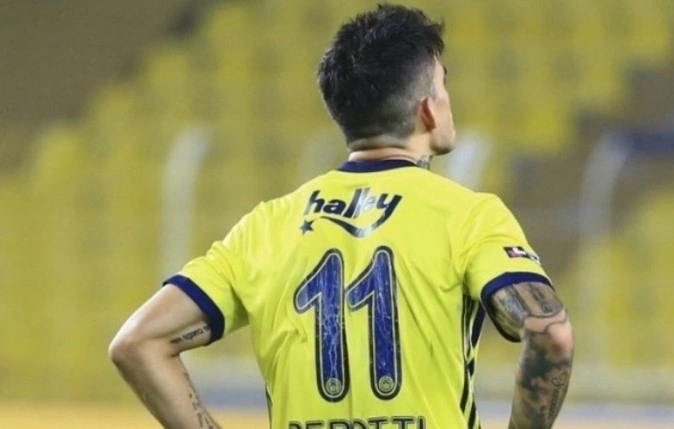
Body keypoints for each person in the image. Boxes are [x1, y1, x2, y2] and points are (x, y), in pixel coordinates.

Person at [109, 4, 574, 429]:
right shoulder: (468, 215)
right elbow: (549, 331)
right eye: (443, 83)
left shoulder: (265, 226)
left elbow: (137, 343)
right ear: (428, 110)